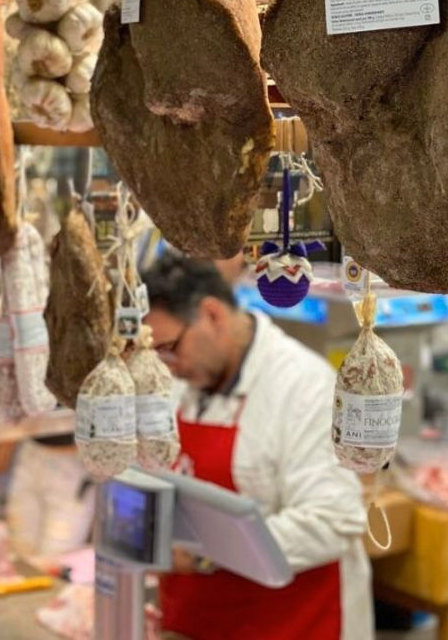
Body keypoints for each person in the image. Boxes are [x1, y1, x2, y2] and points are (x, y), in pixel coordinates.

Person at [141, 255, 373, 640]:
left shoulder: (303, 386)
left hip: (290, 623)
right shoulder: (183, 380)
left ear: (212, 315)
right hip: (195, 620)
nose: (168, 366)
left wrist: (205, 552)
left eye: (170, 348)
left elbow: (334, 520)